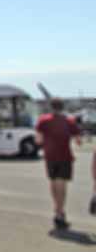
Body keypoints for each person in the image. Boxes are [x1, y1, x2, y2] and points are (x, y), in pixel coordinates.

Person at [36, 98, 81, 229]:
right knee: (61, 184)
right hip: (64, 156)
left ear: (51, 107)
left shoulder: (43, 120)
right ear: (63, 107)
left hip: (50, 157)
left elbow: (38, 140)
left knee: (53, 182)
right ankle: (60, 213)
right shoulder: (69, 121)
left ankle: (57, 209)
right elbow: (78, 140)